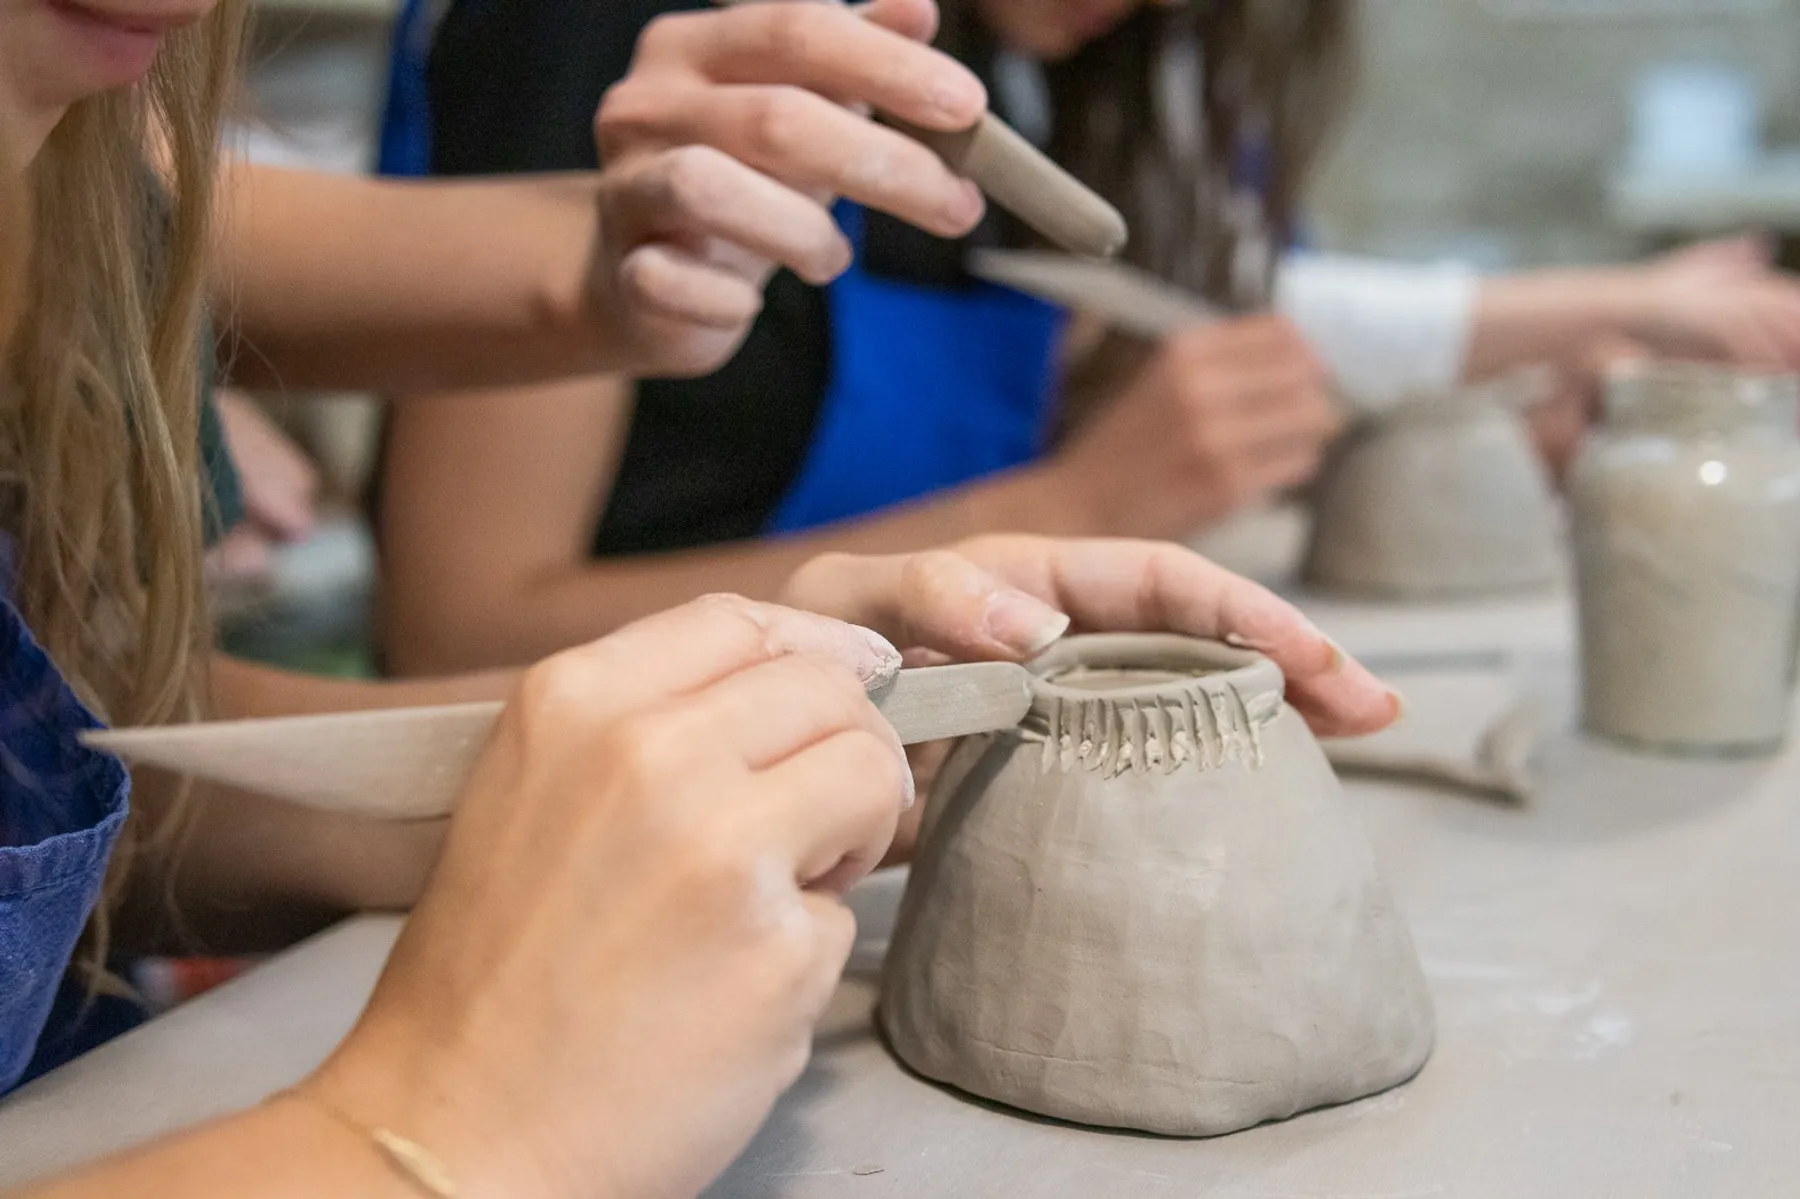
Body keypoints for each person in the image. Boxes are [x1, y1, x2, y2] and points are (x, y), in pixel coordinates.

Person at [0, 0, 1400, 1192]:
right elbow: (460, 596)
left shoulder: (84, 130)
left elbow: (73, 793)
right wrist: (420, 1128)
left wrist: (688, 757)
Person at [374, 0, 1800, 676]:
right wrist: (1069, 507)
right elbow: (447, 634)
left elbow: (1237, 310)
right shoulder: (617, 37)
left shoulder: (1014, 80)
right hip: (539, 813)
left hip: (844, 782)